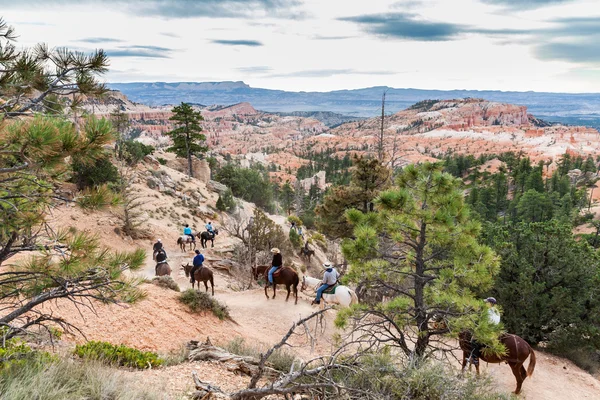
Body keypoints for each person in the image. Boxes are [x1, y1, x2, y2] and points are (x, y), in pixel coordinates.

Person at [470, 297, 501, 366]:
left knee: (474, 340)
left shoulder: (487, 311)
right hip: (494, 331)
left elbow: (483, 323)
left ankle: (474, 359)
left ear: (490, 303)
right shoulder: (497, 311)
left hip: (487, 331)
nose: (485, 303)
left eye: (487, 302)